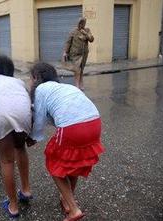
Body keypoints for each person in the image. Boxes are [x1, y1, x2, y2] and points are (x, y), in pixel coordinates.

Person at [29, 62, 105, 221]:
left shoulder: (41, 90)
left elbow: (40, 119)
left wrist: (33, 138)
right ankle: (67, 199)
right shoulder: (66, 87)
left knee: (53, 163)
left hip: (73, 128)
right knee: (73, 163)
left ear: (36, 78)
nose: (30, 82)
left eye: (31, 79)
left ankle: (74, 209)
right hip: (95, 122)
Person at [0, 56, 32, 219]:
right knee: (20, 148)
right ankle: (25, 190)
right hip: (23, 113)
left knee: (6, 160)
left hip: (0, 114)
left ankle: (13, 206)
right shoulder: (18, 82)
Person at [63, 17, 94, 90]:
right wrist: (65, 52)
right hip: (75, 54)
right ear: (78, 23)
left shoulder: (87, 30)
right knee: (77, 69)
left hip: (84, 53)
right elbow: (68, 42)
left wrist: (86, 34)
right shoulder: (73, 31)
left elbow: (91, 39)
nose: (82, 24)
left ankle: (81, 83)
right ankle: (77, 85)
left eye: (84, 23)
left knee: (81, 69)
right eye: (81, 23)